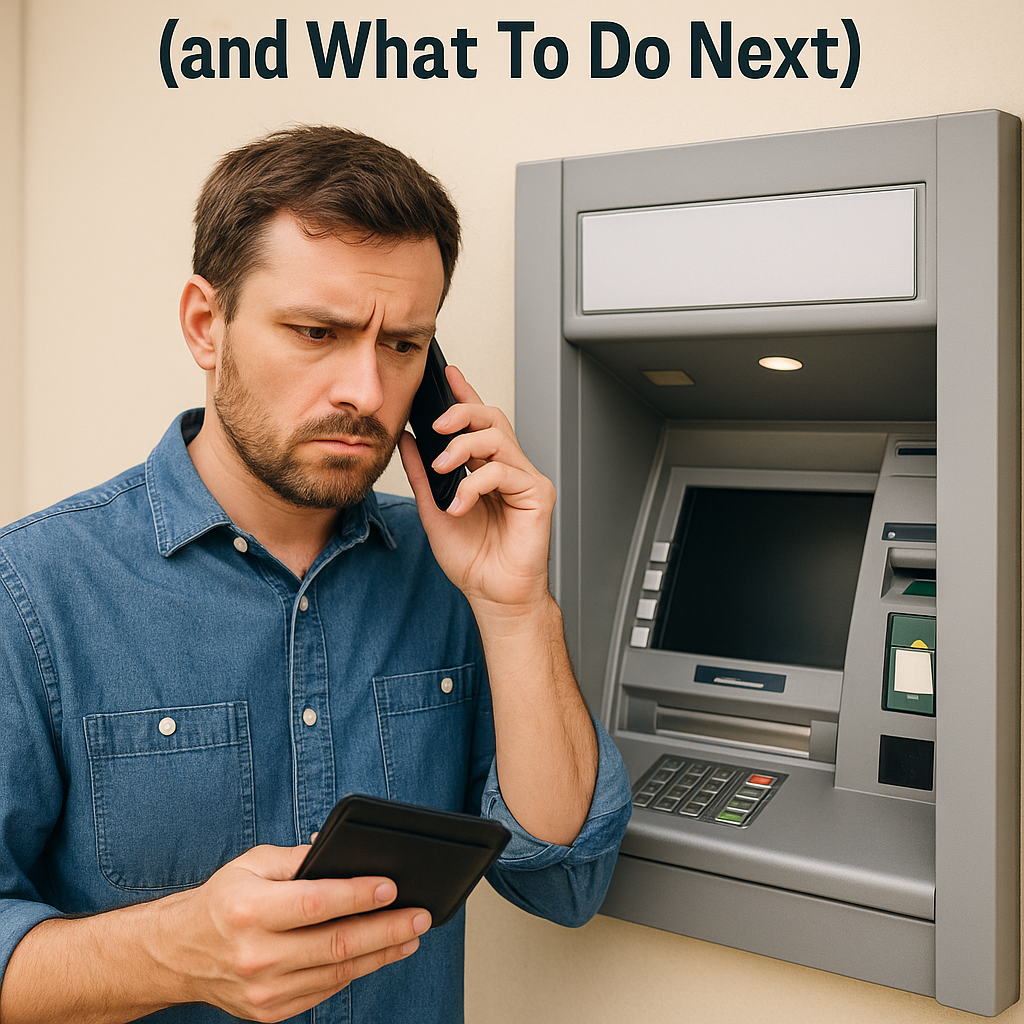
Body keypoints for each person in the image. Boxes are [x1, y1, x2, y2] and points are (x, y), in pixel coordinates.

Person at [0, 126, 631, 1023]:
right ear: (205, 325)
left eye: (402, 346)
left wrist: (516, 607)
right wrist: (174, 953)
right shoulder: (32, 588)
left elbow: (564, 880)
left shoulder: (456, 568)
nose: (366, 392)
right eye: (316, 332)